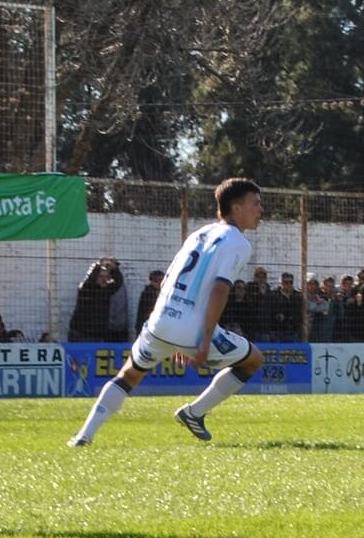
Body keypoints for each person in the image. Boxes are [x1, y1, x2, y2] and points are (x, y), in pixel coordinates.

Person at [69, 179, 269, 446]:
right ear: (236, 207)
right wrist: (203, 339)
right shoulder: (239, 243)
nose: (261, 209)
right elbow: (220, 290)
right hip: (192, 331)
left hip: (159, 322)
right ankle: (194, 413)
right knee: (254, 360)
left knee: (128, 376)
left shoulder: (198, 234)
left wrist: (173, 328)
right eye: (255, 203)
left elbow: (166, 281)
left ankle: (84, 435)